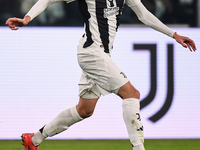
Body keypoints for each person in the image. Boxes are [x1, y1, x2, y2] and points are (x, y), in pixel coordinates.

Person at [5, 0, 196, 150]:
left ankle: (35, 138)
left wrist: (174, 34)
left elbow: (144, 15)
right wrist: (27, 18)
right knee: (132, 94)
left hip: (99, 54)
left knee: (85, 110)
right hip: (92, 53)